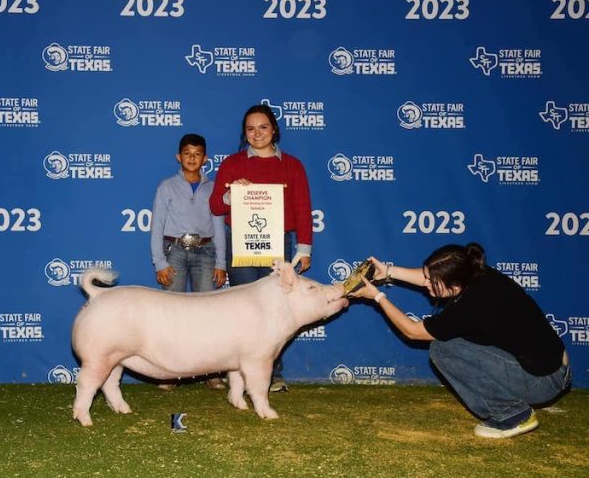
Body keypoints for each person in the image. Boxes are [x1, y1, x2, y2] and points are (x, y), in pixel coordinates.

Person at [351, 242, 571, 439]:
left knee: (442, 349)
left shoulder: (470, 308)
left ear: (454, 286)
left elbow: (412, 331)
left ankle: (513, 415)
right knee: (456, 343)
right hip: (552, 367)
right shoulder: (477, 273)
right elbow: (430, 277)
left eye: (432, 281)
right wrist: (388, 271)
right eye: (427, 276)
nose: (426, 283)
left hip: (544, 381)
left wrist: (378, 297)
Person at [209, 104, 313, 392]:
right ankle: (238, 374)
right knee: (243, 308)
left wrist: (303, 249)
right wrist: (233, 195)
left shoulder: (292, 165)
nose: (257, 133)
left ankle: (272, 373)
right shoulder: (232, 163)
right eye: (251, 128)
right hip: (240, 241)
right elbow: (215, 205)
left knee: (275, 310)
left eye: (263, 127)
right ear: (244, 132)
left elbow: (302, 208)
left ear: (274, 129)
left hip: (280, 243)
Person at [150, 133, 228, 390]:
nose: (192, 158)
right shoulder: (166, 187)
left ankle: (210, 372)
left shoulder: (213, 188)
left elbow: (218, 227)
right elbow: (157, 226)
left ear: (205, 158)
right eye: (187, 153)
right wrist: (160, 262)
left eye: (197, 154)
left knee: (207, 315)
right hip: (174, 251)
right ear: (178, 157)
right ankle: (169, 372)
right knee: (171, 314)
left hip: (205, 253)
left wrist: (221, 262)